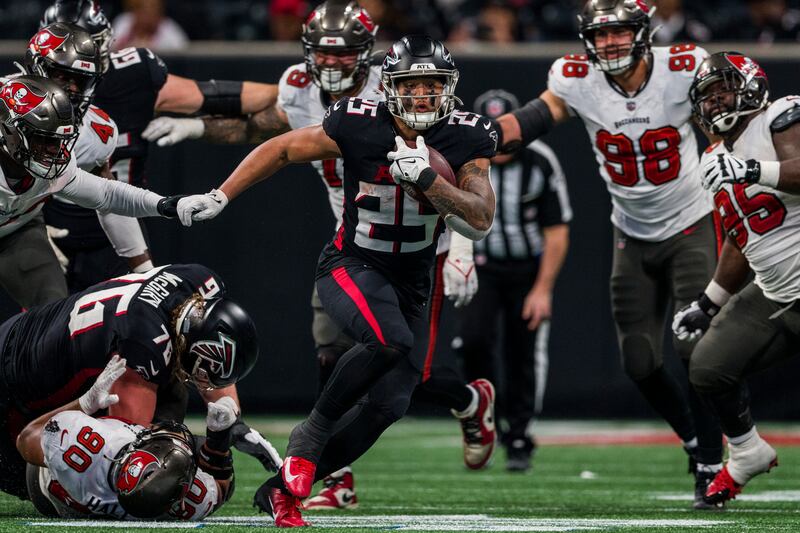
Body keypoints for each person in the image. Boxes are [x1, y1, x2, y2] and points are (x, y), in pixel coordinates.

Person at [143, 0, 495, 509]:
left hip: (420, 265)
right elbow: (276, 140)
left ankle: (282, 490)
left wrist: (432, 191)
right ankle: (316, 454)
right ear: (389, 84)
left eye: (433, 86)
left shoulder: (464, 132)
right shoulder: (353, 118)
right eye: (411, 87)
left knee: (392, 398)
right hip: (354, 254)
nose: (421, 97)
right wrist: (217, 182)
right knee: (360, 348)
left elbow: (480, 215)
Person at [494, 0, 722, 508]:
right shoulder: (578, 80)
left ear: (643, 33)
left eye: (620, 32)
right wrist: (485, 136)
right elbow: (539, 114)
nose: (610, 43)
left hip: (691, 224)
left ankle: (711, 460)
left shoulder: (682, 69)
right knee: (639, 360)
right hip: (632, 233)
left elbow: (726, 117)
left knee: (695, 351)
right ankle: (692, 437)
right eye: (601, 35)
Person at [40, 0, 276, 292]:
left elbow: (107, 193)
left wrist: (144, 270)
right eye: (62, 65)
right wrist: (29, 230)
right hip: (44, 229)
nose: (75, 71)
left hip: (116, 232)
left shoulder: (108, 114)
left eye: (87, 52)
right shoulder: (18, 104)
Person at [0, 263, 263, 499]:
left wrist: (233, 422)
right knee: (105, 460)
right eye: (206, 374)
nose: (206, 385)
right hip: (14, 381)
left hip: (32, 329)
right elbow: (131, 448)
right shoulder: (145, 346)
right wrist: (207, 445)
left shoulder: (200, 284)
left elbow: (206, 341)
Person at [672, 51, 800, 506]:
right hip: (773, 291)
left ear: (751, 85)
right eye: (707, 95)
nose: (715, 101)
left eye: (723, 89)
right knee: (707, 367)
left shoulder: (781, 115)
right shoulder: (715, 155)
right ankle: (747, 453)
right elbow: (739, 237)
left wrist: (751, 169)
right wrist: (708, 302)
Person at [455, 89, 571, 472]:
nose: (500, 145)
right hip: (482, 268)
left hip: (525, 270)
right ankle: (481, 419)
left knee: (524, 352)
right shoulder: (461, 160)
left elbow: (556, 230)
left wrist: (543, 289)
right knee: (472, 341)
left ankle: (519, 434)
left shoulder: (540, 162)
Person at [8, 22, 157, 288]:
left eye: (80, 80)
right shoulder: (4, 103)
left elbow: (107, 196)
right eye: (62, 76)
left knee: (48, 307)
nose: (72, 89)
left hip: (18, 228)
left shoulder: (94, 133)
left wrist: (146, 273)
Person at [17, 356, 238, 520]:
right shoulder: (183, 502)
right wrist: (218, 440)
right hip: (98, 483)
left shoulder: (85, 445)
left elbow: (26, 437)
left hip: (44, 483)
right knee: (175, 392)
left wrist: (85, 403)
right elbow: (222, 486)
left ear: (138, 445)